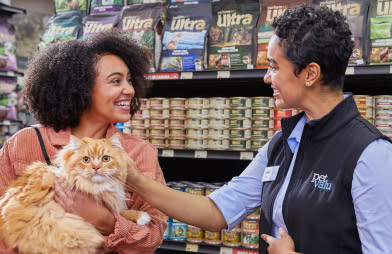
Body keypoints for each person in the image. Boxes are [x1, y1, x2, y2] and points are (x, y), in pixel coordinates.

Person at [125, 5, 392, 254]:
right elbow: (216, 211)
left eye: (274, 66)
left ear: (310, 74)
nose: (266, 77)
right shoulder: (283, 142)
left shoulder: (371, 154)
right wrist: (136, 180)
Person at [0, 31, 167, 254]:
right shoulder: (24, 143)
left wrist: (106, 222)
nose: (129, 90)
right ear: (81, 87)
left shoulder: (140, 152)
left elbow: (153, 237)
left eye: (129, 80)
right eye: (116, 81)